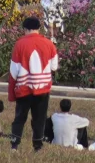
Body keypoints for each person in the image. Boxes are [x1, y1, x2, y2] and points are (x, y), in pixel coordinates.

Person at [9, 14, 59, 152]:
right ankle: (38, 146)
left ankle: (14, 145)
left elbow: (14, 71)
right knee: (39, 118)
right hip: (43, 88)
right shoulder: (49, 44)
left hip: (24, 88)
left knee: (20, 117)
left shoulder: (19, 44)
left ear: (25, 29)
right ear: (38, 28)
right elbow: (54, 66)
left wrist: (12, 92)